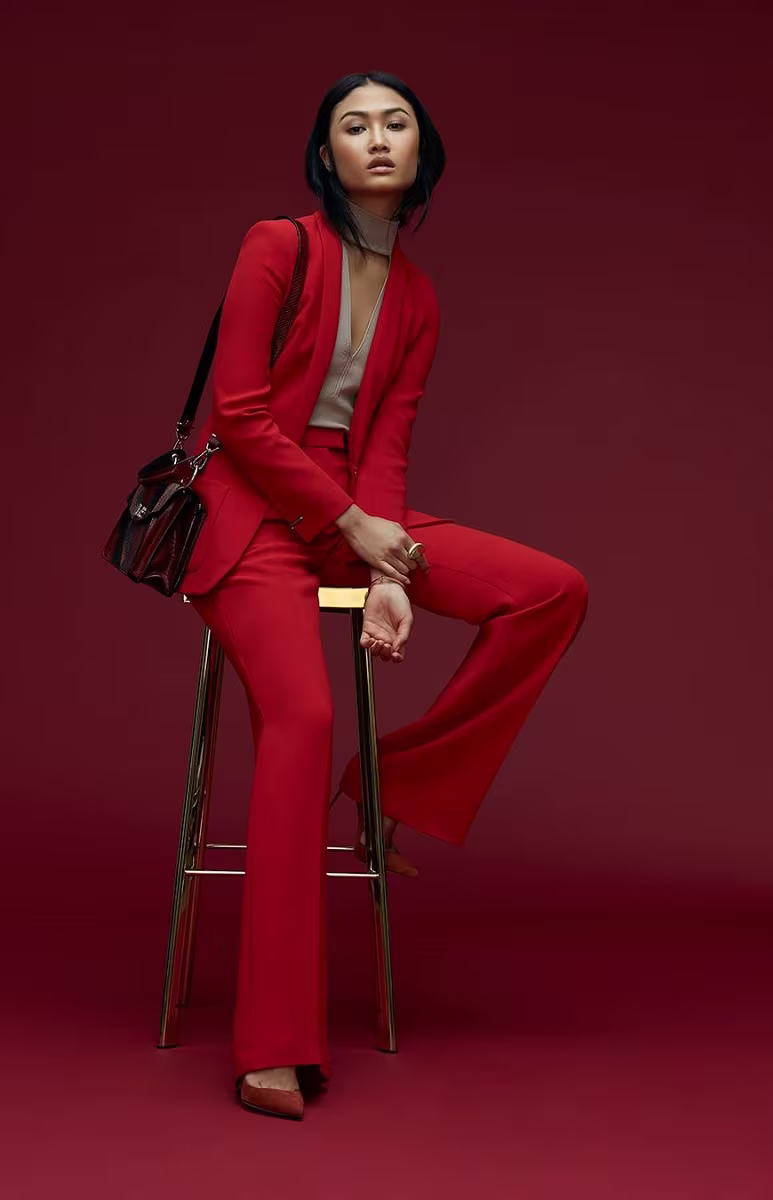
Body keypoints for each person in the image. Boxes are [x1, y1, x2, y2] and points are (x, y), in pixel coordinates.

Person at [181, 70, 589, 1119]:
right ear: (325, 155)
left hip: (352, 512)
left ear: (420, 153)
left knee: (548, 593)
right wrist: (355, 530)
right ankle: (272, 1047)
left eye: (394, 123)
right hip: (252, 511)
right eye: (352, 125)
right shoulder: (277, 246)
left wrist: (384, 568)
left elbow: (388, 448)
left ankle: (389, 788)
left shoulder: (418, 297)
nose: (375, 138)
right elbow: (239, 415)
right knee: (304, 717)